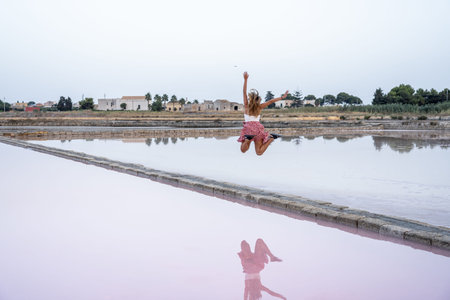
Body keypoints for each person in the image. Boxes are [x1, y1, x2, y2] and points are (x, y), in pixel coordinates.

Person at [238, 72, 289, 155]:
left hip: (249, 128)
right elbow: (271, 101)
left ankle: (247, 139)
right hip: (258, 128)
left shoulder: (247, 106)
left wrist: (245, 79)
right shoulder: (260, 107)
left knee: (243, 150)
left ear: (250, 99)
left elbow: (244, 92)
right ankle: (272, 138)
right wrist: (282, 97)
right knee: (259, 152)